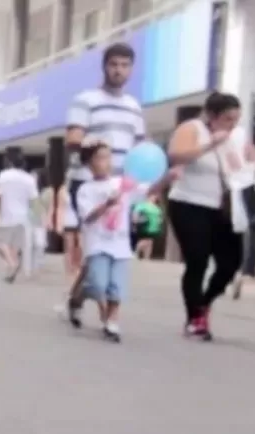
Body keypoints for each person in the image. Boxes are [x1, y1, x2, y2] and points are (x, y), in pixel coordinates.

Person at [63, 42, 146, 325]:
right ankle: (106, 312)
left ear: (131, 69)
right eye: (114, 64)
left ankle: (78, 298)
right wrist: (92, 144)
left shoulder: (134, 107)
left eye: (124, 65)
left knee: (106, 248)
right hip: (87, 183)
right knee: (96, 246)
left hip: (120, 188)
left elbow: (140, 149)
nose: (118, 70)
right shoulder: (86, 99)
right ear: (104, 67)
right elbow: (72, 139)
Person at [166, 91, 255, 340]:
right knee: (198, 261)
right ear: (211, 116)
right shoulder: (193, 128)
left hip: (226, 207)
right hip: (190, 204)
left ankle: (204, 302)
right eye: (228, 119)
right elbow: (175, 155)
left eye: (236, 119)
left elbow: (250, 157)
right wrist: (209, 145)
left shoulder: (238, 134)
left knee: (231, 262)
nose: (233, 124)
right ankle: (195, 319)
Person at [72, 143, 179, 340]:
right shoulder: (85, 190)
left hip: (120, 244)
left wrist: (166, 178)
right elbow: (87, 217)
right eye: (100, 158)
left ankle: (112, 322)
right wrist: (107, 204)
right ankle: (79, 297)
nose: (106, 162)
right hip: (97, 244)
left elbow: (148, 189)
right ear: (89, 163)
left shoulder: (122, 183)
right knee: (98, 284)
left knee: (116, 287)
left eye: (108, 157)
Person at [0, 147, 39, 282]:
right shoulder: (29, 178)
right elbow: (33, 200)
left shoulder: (4, 176)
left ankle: (11, 264)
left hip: (6, 215)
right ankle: (10, 272)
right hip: (23, 217)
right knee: (14, 246)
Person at [131, 193, 163, 259]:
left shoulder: (156, 207)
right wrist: (135, 222)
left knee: (150, 242)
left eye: (155, 197)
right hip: (145, 226)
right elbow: (136, 213)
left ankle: (147, 257)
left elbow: (159, 217)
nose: (154, 198)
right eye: (153, 196)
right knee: (144, 241)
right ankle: (135, 253)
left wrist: (159, 222)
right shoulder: (143, 205)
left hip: (154, 227)